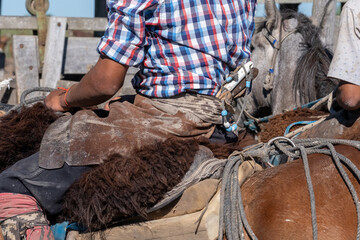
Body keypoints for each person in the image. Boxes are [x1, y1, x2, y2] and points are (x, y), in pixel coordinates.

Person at [0, 0, 257, 239]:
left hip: (163, 122)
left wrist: (64, 100)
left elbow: (104, 83)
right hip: (220, 121)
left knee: (12, 184)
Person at [328, 0, 360, 111]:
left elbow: (350, 99)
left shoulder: (354, 8)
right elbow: (351, 97)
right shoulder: (354, 8)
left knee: (349, 96)